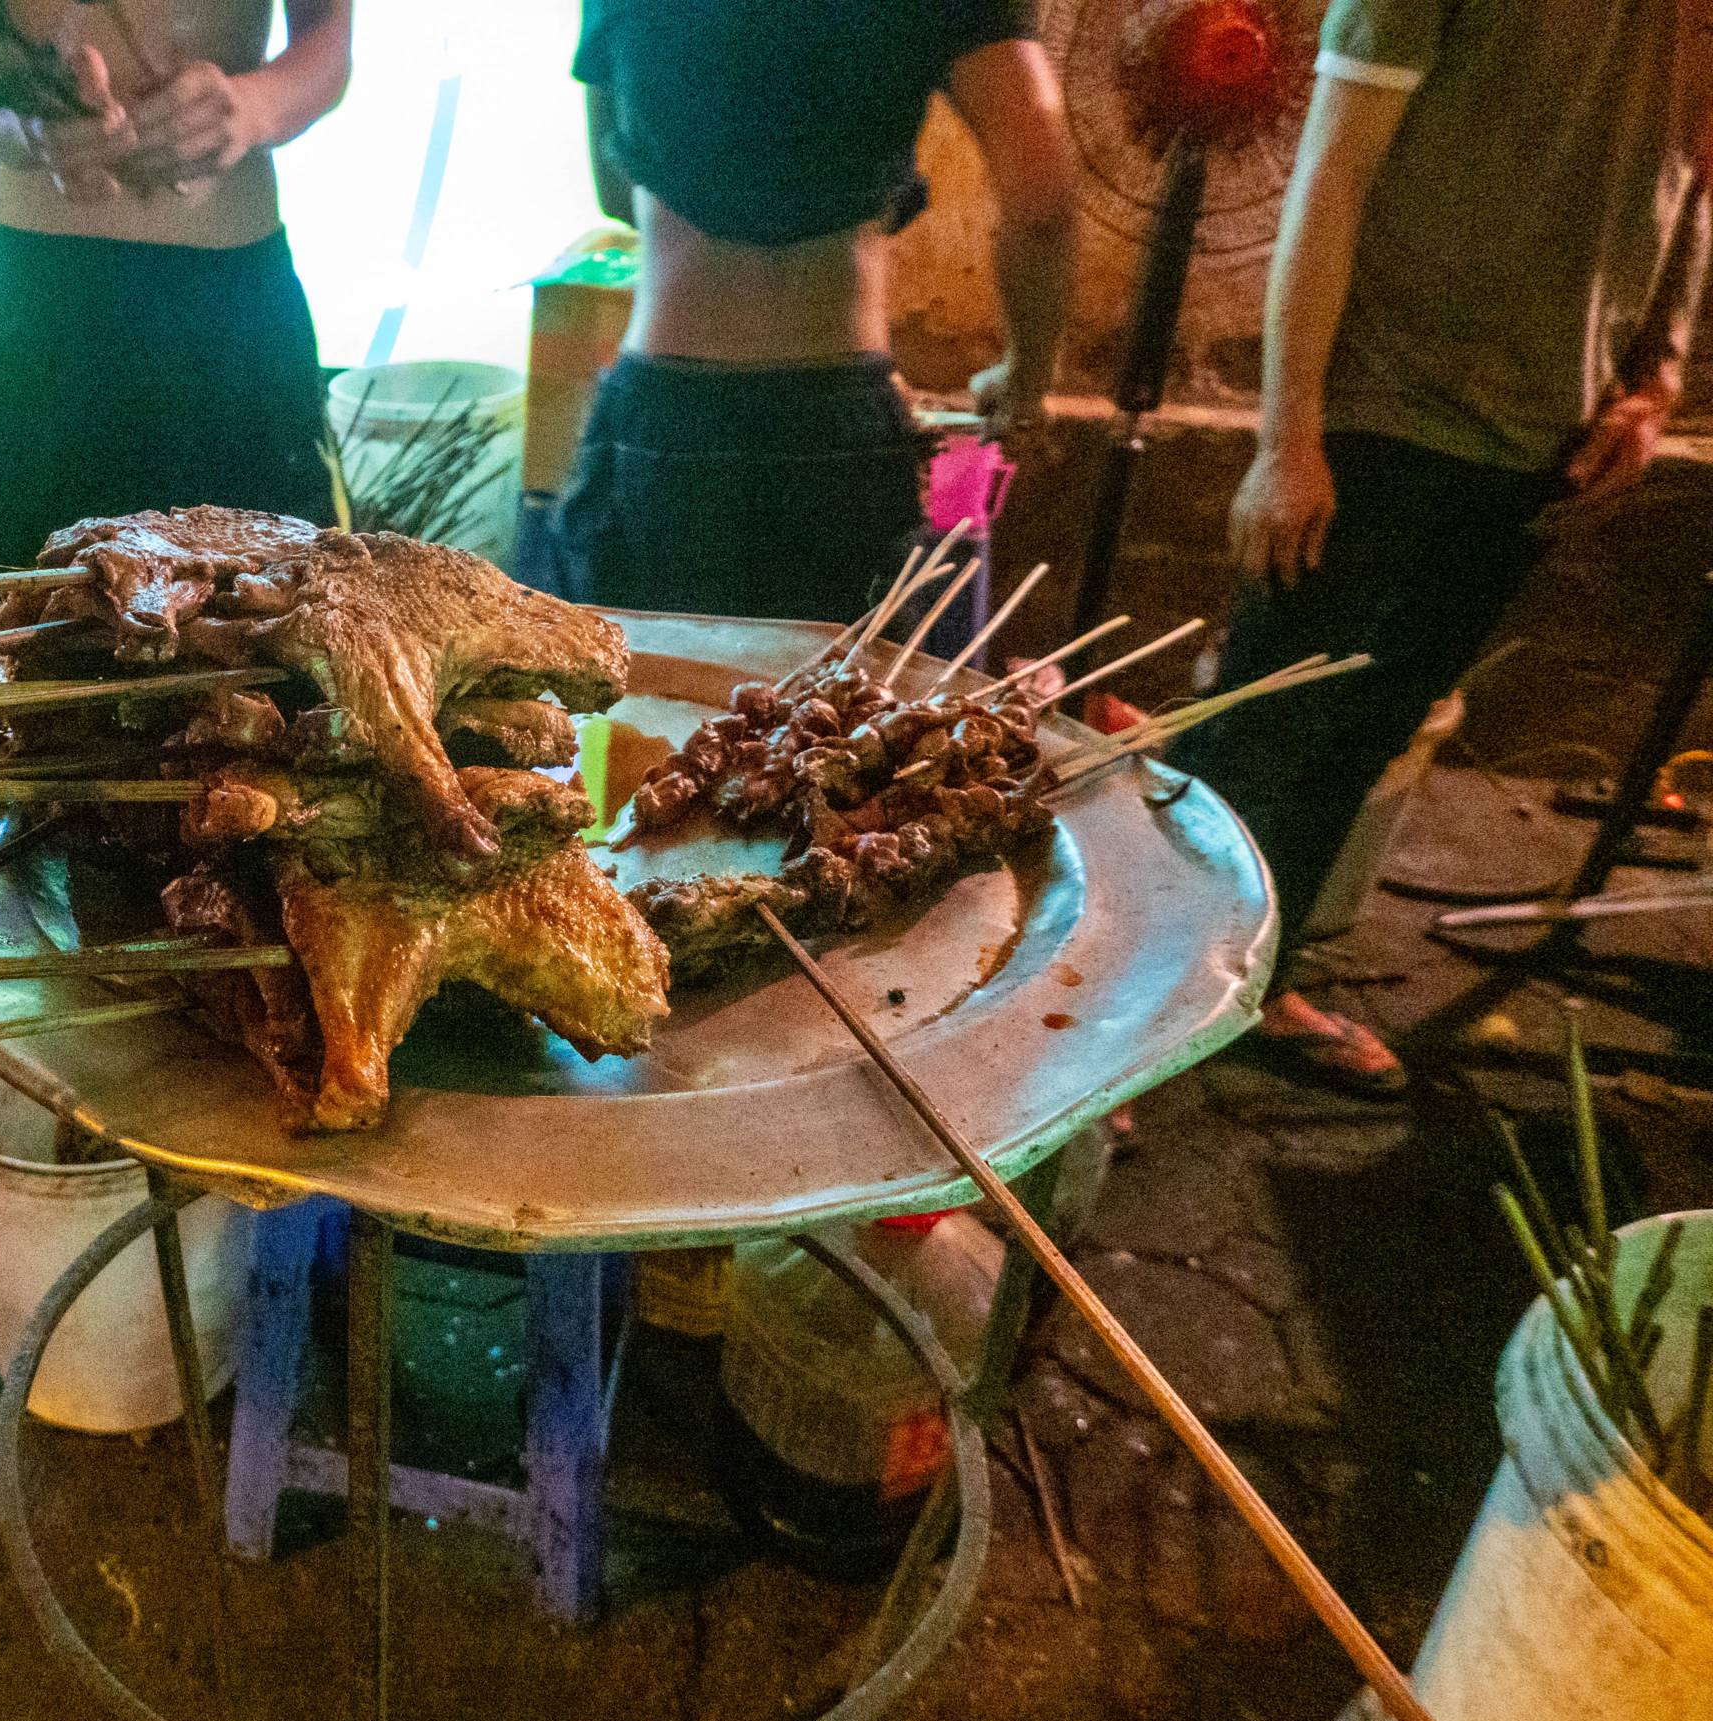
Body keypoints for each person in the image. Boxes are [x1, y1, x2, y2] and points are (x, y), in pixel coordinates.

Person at [1176, 0, 1711, 1092]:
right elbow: (1332, 175)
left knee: (1375, 722)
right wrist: (1289, 441)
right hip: (1379, 410)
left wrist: (1658, 368)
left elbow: (1695, 173)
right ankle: (1132, 1029)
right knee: (1255, 725)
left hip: (1546, 431)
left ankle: (1258, 987)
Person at [556, 1, 1078, 623]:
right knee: (823, 713)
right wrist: (1025, 378)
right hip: (834, 420)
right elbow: (1042, 193)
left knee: (636, 699)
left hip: (662, 414)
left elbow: (614, 189)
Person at [0, 0, 351, 573]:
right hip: (42, 301)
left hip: (232, 299)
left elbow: (328, 35)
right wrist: (20, 130)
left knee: (281, 609)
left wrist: (249, 107)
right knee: (43, 619)